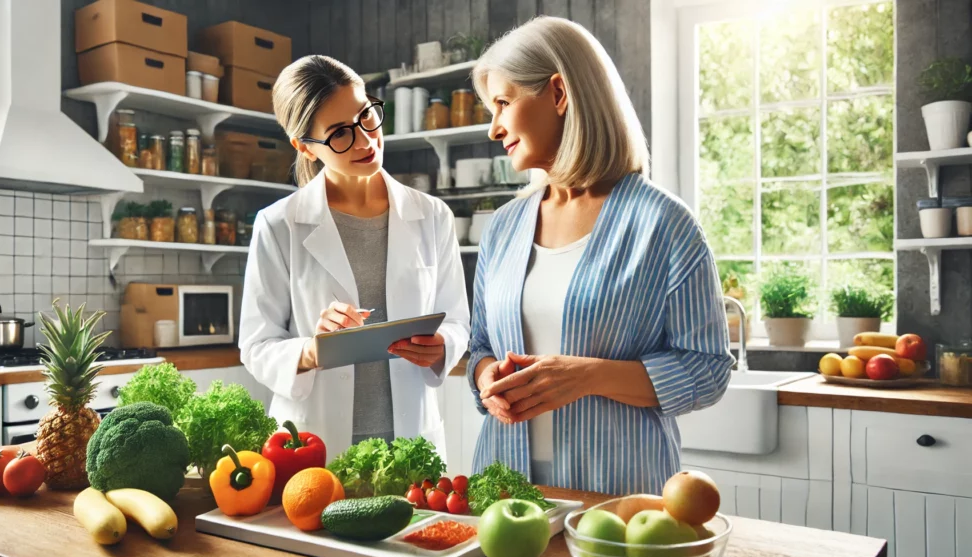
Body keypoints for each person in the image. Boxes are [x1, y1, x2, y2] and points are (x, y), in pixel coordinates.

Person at [467, 17, 734, 495]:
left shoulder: (664, 224)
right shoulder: (503, 227)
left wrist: (588, 376)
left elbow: (708, 368)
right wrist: (488, 379)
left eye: (503, 103)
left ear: (558, 94)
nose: (494, 128)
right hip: (504, 492)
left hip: (621, 497)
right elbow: (481, 345)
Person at [240, 55, 470, 460]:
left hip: (411, 441)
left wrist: (443, 345)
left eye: (367, 117)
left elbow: (456, 320)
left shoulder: (432, 216)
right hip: (315, 446)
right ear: (305, 147)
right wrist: (313, 349)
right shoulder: (279, 225)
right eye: (340, 134)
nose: (365, 140)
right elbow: (257, 346)